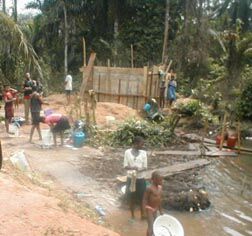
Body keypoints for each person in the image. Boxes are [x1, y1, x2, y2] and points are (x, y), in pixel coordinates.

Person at [124, 136, 147, 219]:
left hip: (141, 178)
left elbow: (145, 167)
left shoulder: (144, 153)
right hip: (131, 178)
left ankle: (143, 215)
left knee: (142, 198)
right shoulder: (127, 152)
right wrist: (133, 168)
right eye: (141, 144)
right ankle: (132, 215)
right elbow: (125, 166)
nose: (142, 145)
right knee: (131, 197)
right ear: (136, 144)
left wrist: (140, 169)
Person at [142, 171, 163, 236]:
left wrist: (161, 210)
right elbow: (144, 200)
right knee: (150, 226)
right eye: (159, 180)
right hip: (149, 209)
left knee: (155, 224)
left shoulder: (160, 188)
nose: (161, 182)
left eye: (161, 180)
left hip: (155, 209)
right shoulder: (149, 188)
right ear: (154, 180)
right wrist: (144, 212)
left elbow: (159, 200)